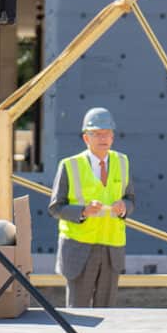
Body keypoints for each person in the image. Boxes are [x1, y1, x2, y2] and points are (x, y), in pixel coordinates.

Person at [47, 107, 134, 308]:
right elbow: (55, 207)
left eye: (107, 134)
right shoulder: (69, 165)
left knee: (108, 313)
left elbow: (131, 199)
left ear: (112, 137)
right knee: (79, 313)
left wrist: (124, 207)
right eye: (97, 134)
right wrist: (83, 212)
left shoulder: (123, 162)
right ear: (86, 138)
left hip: (112, 249)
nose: (103, 138)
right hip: (79, 250)